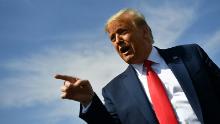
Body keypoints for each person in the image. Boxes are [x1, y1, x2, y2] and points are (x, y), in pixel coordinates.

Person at [55, 8, 220, 124]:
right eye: (112, 38)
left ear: (145, 32)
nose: (118, 40)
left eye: (122, 31)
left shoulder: (190, 54)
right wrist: (88, 101)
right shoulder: (113, 91)